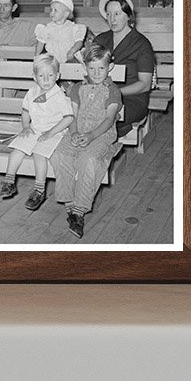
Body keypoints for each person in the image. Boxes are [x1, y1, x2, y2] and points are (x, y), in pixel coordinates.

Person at [50, 42, 123, 240]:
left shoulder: (113, 91)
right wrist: (73, 133)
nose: (97, 72)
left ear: (110, 67)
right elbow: (71, 115)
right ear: (85, 68)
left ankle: (79, 210)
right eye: (92, 68)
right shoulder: (77, 89)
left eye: (101, 68)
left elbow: (109, 119)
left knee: (88, 160)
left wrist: (91, 136)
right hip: (78, 130)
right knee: (60, 155)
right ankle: (69, 205)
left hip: (101, 134)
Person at [0, 54, 74, 211]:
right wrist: (25, 126)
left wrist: (51, 132)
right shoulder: (32, 92)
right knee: (17, 150)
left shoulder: (59, 95)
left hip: (54, 131)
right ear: (34, 77)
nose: (46, 80)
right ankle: (9, 181)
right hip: (35, 128)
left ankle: (39, 190)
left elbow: (68, 118)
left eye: (50, 75)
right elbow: (25, 111)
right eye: (41, 76)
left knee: (39, 154)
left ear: (57, 76)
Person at [92, 0, 155, 138]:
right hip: (99, 95)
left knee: (101, 115)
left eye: (117, 14)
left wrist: (115, 94)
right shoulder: (100, 39)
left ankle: (102, 147)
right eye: (108, 14)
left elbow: (144, 85)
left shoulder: (141, 44)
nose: (112, 19)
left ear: (128, 16)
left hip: (131, 98)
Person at [34, 0, 86, 64]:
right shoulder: (48, 27)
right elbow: (40, 42)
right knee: (47, 64)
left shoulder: (73, 27)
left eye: (55, 10)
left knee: (74, 64)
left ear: (66, 14)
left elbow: (79, 42)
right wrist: (37, 57)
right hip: (52, 58)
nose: (52, 13)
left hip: (69, 57)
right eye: (51, 10)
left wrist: (72, 51)